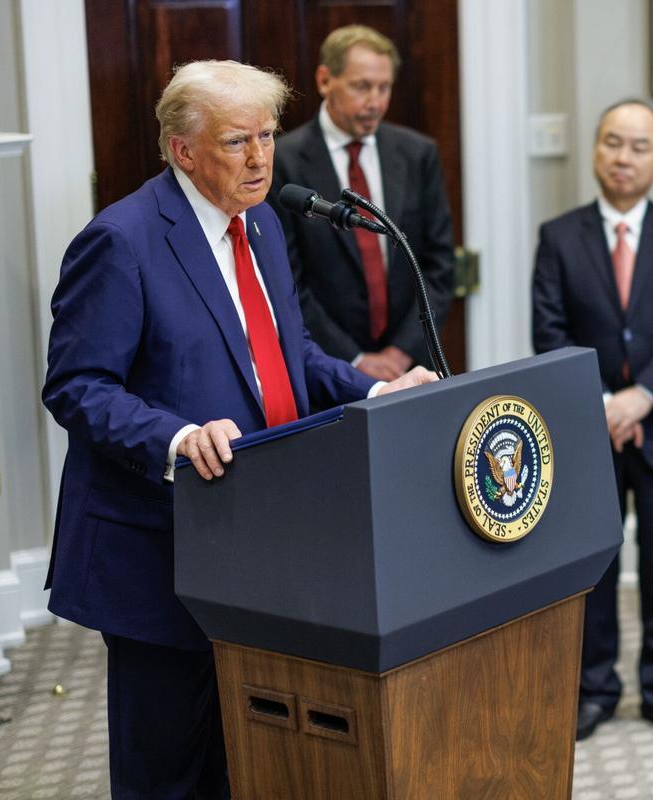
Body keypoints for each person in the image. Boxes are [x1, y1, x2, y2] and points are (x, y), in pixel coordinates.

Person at [42, 61, 436, 798]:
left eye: (267, 137)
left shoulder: (260, 221)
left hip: (257, 532)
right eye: (236, 142)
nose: (260, 159)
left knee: (243, 755)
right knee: (165, 764)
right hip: (159, 542)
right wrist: (175, 438)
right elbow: (76, 387)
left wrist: (378, 390)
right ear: (181, 150)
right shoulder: (122, 241)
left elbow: (289, 358)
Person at [532, 99, 653, 741]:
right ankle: (596, 687)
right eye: (613, 142)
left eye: (639, 146)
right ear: (594, 150)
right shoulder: (558, 236)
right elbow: (549, 333)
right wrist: (607, 404)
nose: (623, 157)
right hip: (589, 434)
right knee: (596, 569)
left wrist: (643, 399)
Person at [270, 24, 454, 381]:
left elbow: (439, 266)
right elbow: (286, 280)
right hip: (327, 368)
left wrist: (402, 352)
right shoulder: (283, 161)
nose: (375, 102)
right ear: (325, 80)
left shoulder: (418, 154)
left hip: (412, 364)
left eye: (384, 87)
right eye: (362, 86)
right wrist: (353, 359)